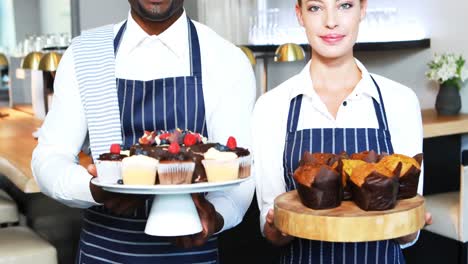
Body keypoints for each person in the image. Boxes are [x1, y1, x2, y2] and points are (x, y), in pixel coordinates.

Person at [31, 0, 256, 263]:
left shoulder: (225, 58)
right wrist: (92, 189)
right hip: (105, 251)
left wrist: (215, 216)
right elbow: (49, 157)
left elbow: (240, 168)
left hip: (190, 252)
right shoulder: (86, 55)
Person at [252, 0, 432, 263]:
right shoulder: (271, 106)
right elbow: (272, 227)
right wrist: (275, 225)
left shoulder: (400, 101)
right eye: (316, 7)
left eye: (344, 5)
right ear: (299, 14)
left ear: (363, 9)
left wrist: (410, 226)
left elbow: (407, 229)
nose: (331, 21)